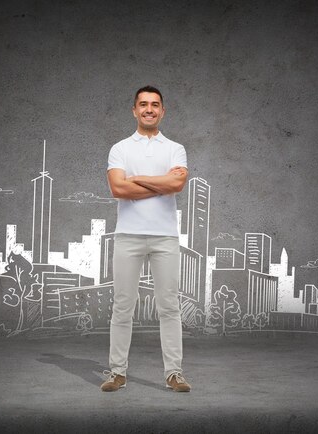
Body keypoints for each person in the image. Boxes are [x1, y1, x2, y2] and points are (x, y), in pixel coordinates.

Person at [101, 85, 191, 392]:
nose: (149, 109)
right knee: (123, 305)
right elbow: (118, 189)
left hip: (165, 237)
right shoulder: (120, 148)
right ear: (134, 110)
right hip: (128, 235)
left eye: (154, 104)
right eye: (143, 104)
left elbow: (178, 184)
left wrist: (136, 178)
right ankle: (117, 373)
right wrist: (160, 183)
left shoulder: (175, 148)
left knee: (169, 306)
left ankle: (174, 373)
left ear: (162, 111)